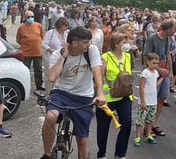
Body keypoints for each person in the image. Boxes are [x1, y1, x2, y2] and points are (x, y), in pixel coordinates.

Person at [41, 26, 106, 159]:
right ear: (75, 43)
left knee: (82, 140)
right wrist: (64, 56)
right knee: (51, 117)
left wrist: (100, 93)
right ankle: (47, 154)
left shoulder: (91, 50)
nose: (89, 44)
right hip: (61, 93)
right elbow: (52, 77)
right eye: (86, 42)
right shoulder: (57, 54)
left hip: (84, 96)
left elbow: (97, 73)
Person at [96, 32, 134, 159]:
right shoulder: (105, 57)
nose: (127, 45)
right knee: (103, 127)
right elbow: (99, 78)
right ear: (116, 44)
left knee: (127, 124)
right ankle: (101, 154)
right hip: (108, 97)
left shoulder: (128, 56)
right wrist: (99, 95)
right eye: (124, 42)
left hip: (125, 95)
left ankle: (120, 154)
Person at [142, 18, 176, 137]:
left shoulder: (169, 39)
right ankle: (147, 126)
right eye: (174, 29)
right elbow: (146, 57)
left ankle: (154, 124)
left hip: (164, 72)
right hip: (153, 72)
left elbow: (168, 55)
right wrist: (158, 69)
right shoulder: (153, 38)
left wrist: (170, 71)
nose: (175, 31)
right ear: (168, 28)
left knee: (161, 99)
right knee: (151, 100)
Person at [134, 54, 163, 147]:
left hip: (153, 101)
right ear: (147, 62)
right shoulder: (145, 73)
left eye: (157, 63)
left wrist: (162, 78)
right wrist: (142, 101)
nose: (155, 65)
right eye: (153, 63)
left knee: (150, 120)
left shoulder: (156, 73)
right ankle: (137, 137)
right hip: (145, 101)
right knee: (140, 120)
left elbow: (154, 85)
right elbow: (141, 88)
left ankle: (148, 135)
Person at [17, 10, 45, 90]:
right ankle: (24, 85)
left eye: (32, 17)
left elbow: (42, 36)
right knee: (25, 70)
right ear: (25, 18)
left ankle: (39, 85)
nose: (30, 18)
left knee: (38, 69)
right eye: (28, 17)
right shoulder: (21, 27)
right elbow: (18, 39)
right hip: (26, 52)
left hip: (37, 51)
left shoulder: (39, 26)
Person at [41, 17, 69, 91]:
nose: (67, 27)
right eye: (65, 25)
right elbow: (43, 44)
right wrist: (51, 50)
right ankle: (48, 92)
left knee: (60, 76)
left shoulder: (68, 33)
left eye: (67, 25)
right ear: (60, 25)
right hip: (50, 57)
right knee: (49, 76)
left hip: (62, 58)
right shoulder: (51, 32)